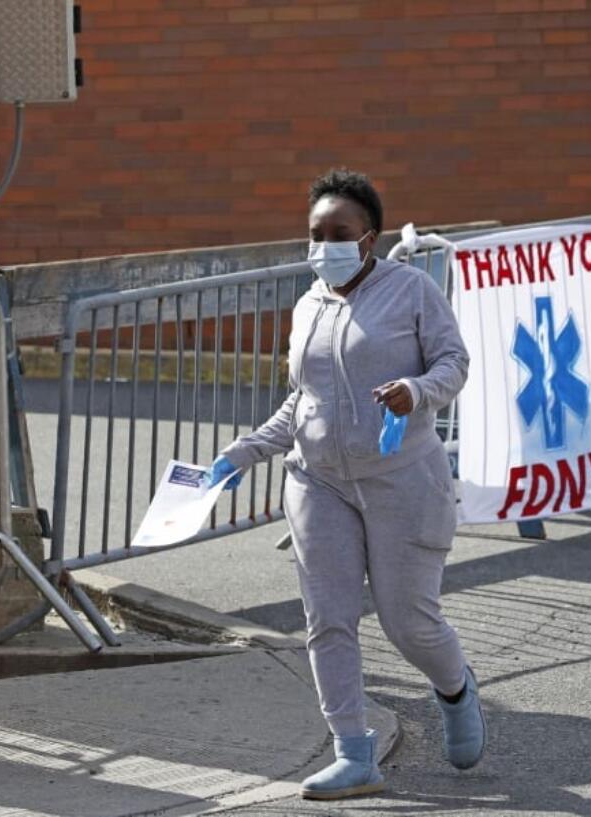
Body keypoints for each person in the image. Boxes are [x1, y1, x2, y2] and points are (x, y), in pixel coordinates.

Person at [207, 169, 485, 800]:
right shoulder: (309, 303)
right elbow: (305, 400)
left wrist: (414, 391)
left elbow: (454, 363)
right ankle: (354, 754)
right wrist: (243, 453)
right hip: (317, 482)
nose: (325, 245)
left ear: (370, 238)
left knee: (406, 622)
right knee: (328, 619)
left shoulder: (411, 291)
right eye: (316, 233)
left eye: (341, 233)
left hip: (401, 481)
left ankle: (455, 687)